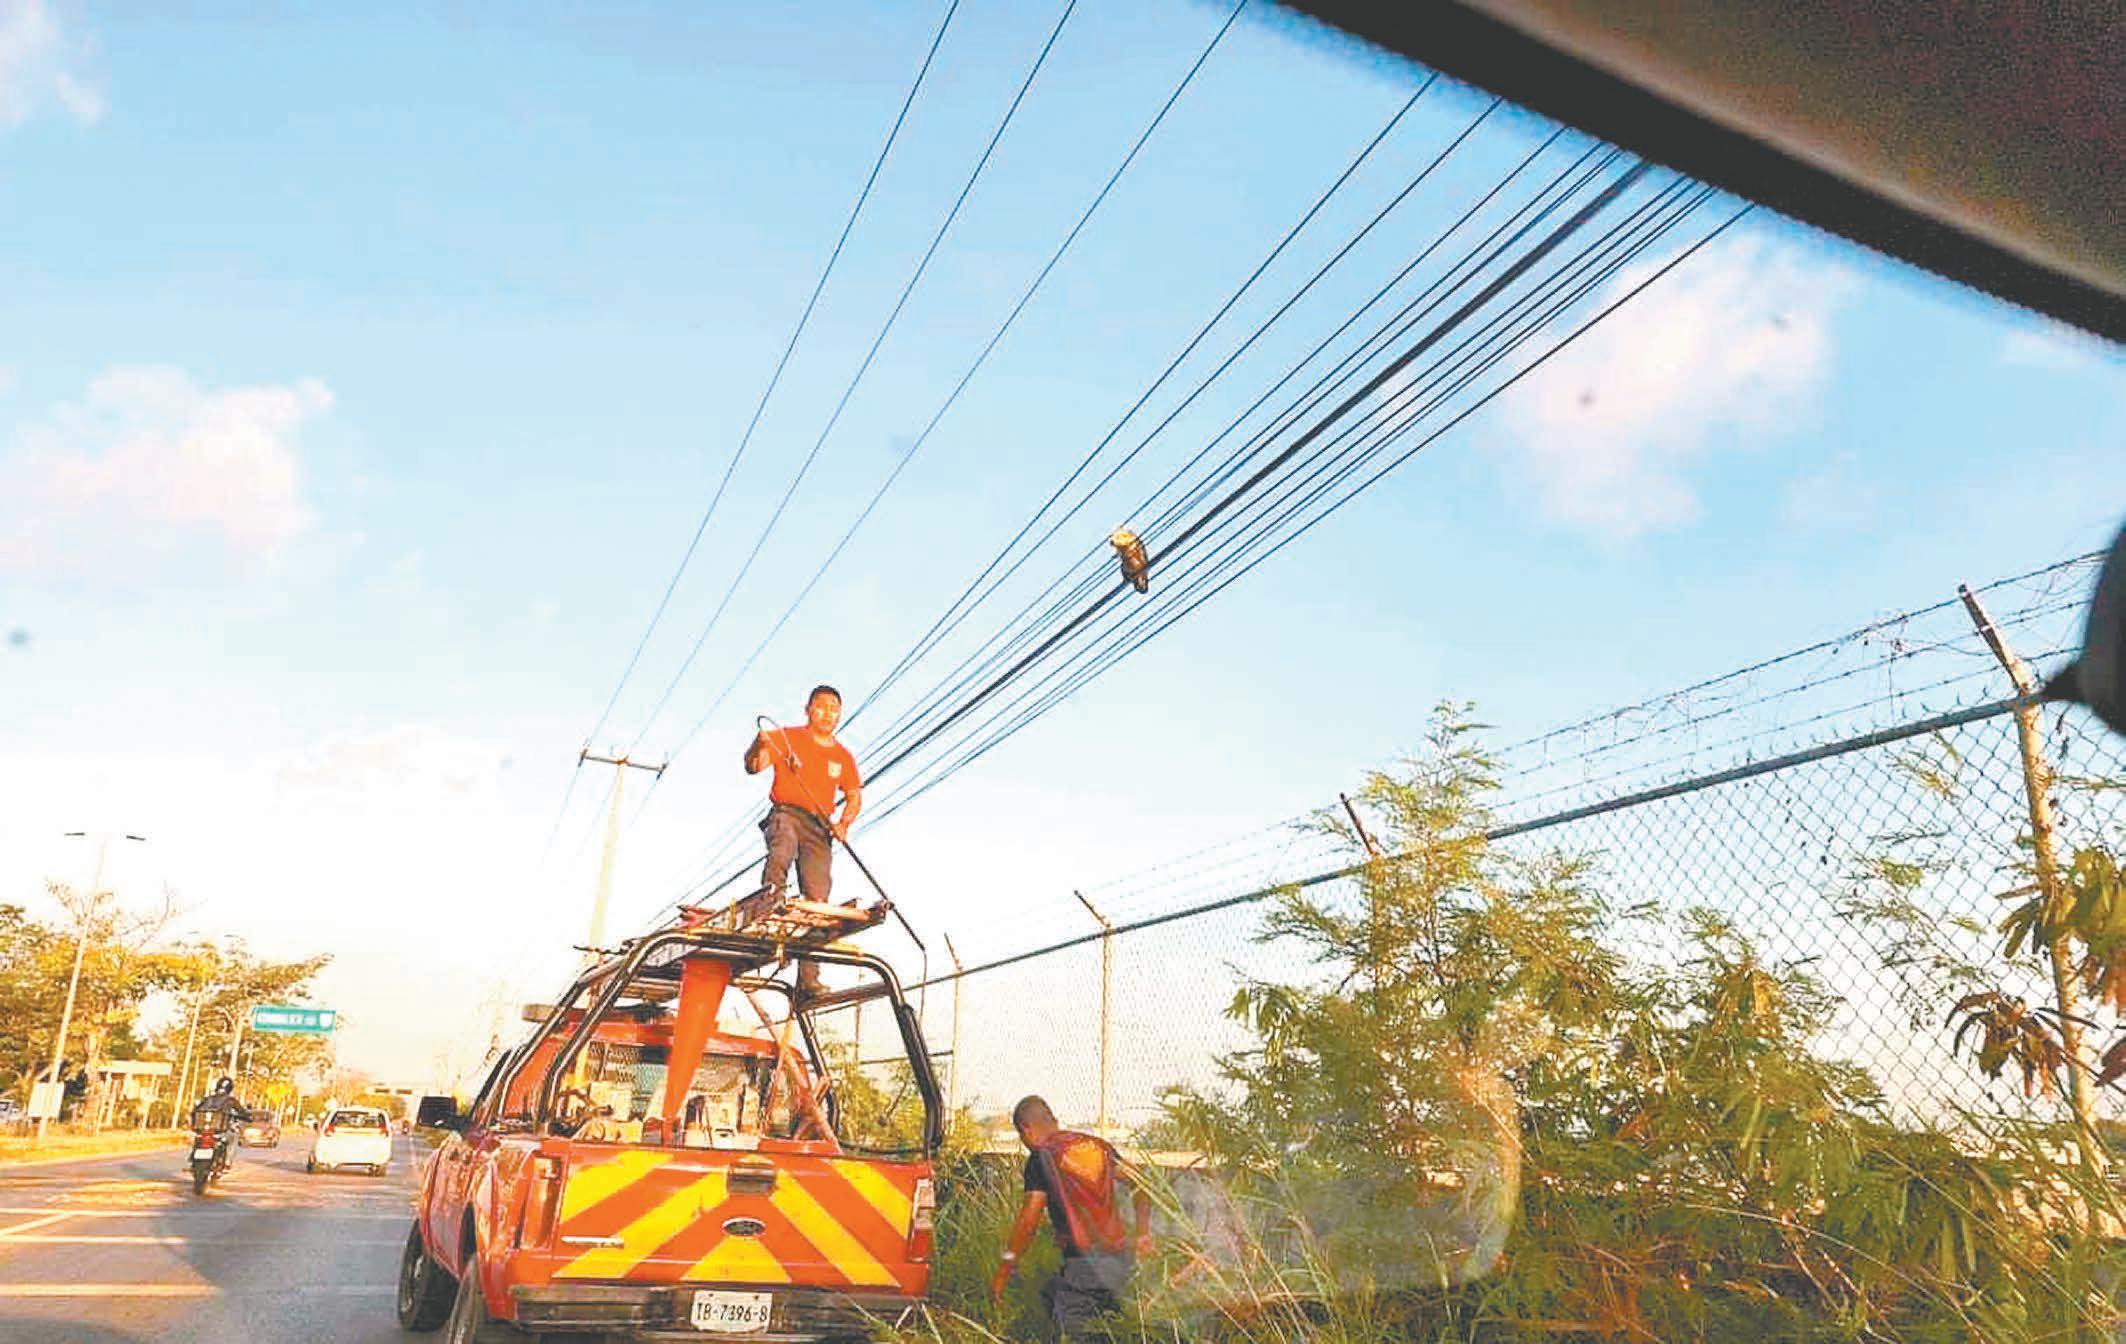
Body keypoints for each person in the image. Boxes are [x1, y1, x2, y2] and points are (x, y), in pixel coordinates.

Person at [990, 1095, 1153, 1337]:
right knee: (1050, 1295)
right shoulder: (1096, 1147)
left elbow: (1028, 1221)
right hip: (1120, 1261)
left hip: (1086, 1266)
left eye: (1021, 1138)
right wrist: (1143, 1234)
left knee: (1073, 1330)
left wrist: (1005, 1269)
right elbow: (1142, 1183)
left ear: (1026, 1130)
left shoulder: (1042, 1157)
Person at [741, 685, 862, 911]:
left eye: (834, 709)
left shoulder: (843, 756)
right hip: (787, 813)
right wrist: (758, 745)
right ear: (808, 710)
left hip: (820, 825)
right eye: (821, 707)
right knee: (782, 848)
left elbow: (854, 796)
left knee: (818, 888)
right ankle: (772, 895)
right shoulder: (788, 737)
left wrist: (844, 823)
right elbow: (753, 766)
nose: (827, 714)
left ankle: (815, 912)